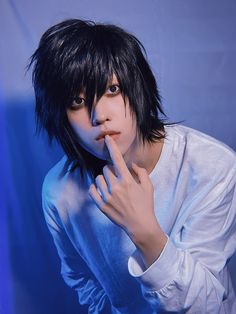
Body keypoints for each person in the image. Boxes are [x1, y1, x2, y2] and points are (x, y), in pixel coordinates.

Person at [29, 18, 236, 313]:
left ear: (138, 88)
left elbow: (207, 306)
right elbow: (83, 280)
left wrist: (143, 228)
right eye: (77, 101)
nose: (99, 115)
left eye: (112, 90)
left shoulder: (213, 167)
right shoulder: (59, 190)